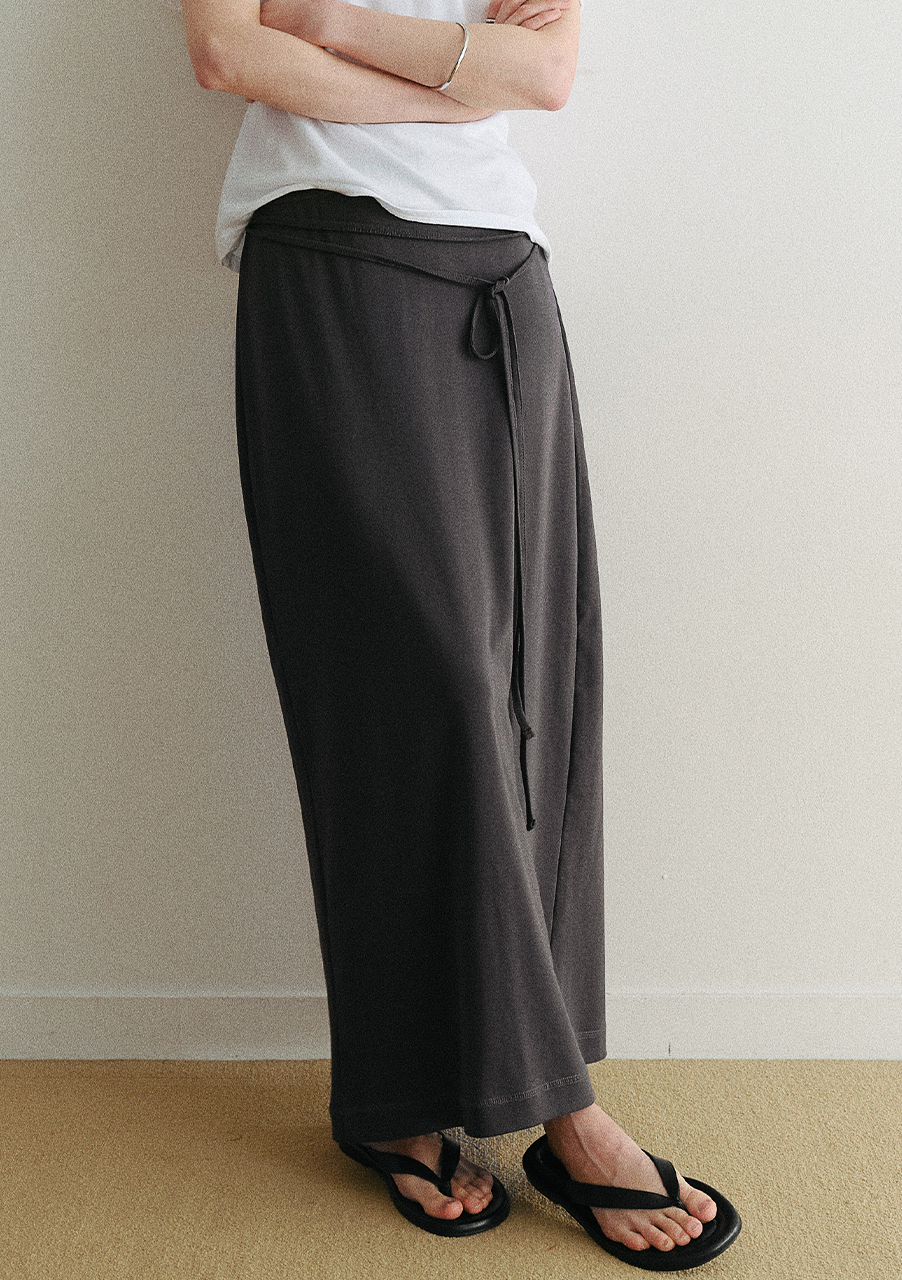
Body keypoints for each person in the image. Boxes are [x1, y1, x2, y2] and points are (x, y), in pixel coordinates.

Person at [179, 0, 741, 1267]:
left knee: (540, 692)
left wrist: (330, 25)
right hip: (333, 261)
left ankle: (444, 1091)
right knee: (408, 691)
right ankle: (547, 1109)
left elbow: (543, 73)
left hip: (504, 274)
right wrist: (451, 79)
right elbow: (227, 51)